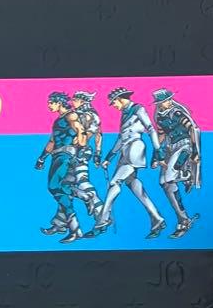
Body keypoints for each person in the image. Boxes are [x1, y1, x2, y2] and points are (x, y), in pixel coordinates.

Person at [87, 87, 166, 240]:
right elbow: (121, 138)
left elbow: (151, 129)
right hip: (125, 151)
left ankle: (102, 221)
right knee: (134, 186)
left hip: (135, 148)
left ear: (120, 99)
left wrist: (158, 151)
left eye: (114, 102)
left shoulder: (138, 109)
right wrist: (109, 157)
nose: (113, 106)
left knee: (114, 183)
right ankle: (157, 219)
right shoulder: (124, 114)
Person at [35, 91, 88, 244]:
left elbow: (80, 130)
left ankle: (77, 225)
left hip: (65, 155)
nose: (49, 105)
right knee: (60, 190)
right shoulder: (58, 120)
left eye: (51, 103)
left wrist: (81, 147)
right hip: (57, 156)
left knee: (55, 187)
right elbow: (52, 141)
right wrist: (42, 158)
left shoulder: (70, 115)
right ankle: (61, 225)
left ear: (59, 102)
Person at [152, 87, 201, 238]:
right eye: (162, 101)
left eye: (166, 100)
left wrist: (195, 151)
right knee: (164, 183)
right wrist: (155, 156)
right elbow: (160, 136)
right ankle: (183, 218)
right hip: (170, 147)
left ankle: (186, 174)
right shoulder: (159, 116)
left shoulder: (177, 113)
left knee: (169, 177)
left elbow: (192, 129)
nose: (166, 103)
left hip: (184, 145)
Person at [71, 90, 103, 219]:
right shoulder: (94, 114)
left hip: (78, 151)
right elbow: (99, 135)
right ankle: (100, 212)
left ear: (82, 101)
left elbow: (85, 136)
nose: (72, 102)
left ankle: (99, 211)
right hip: (85, 151)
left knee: (78, 182)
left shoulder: (84, 115)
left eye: (75, 100)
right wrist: (98, 153)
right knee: (73, 182)